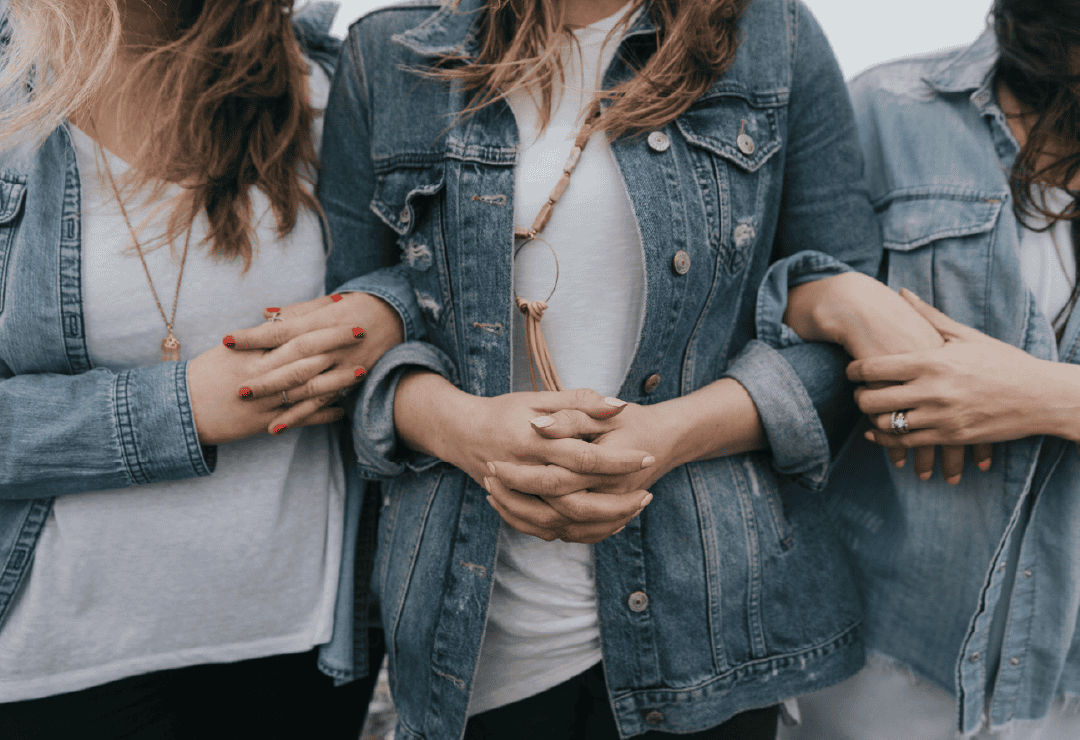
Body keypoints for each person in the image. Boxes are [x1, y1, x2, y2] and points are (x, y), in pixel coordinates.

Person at [315, 0, 950, 737]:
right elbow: (353, 342)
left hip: (714, 632)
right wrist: (467, 431)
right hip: (474, 639)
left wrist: (672, 434)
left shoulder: (773, 38)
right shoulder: (389, 54)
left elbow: (840, 351)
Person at [0, 1, 400, 737]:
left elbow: (443, 274)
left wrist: (388, 307)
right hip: (54, 667)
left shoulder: (335, 81)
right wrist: (179, 408)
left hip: (301, 647)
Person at [770, 0, 1080, 737]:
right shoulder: (890, 108)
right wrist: (839, 298)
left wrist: (1044, 397)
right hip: (880, 646)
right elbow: (759, 308)